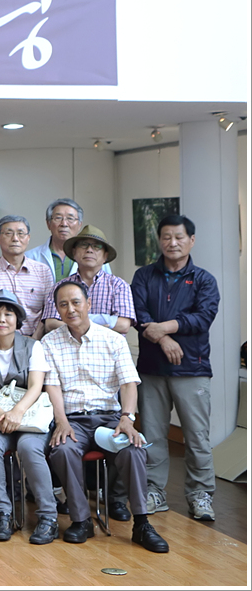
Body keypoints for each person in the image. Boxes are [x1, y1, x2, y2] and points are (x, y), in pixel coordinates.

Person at [41, 280, 169, 553]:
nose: (70, 309)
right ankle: (81, 520)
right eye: (63, 305)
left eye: (76, 302)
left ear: (89, 304)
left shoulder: (113, 340)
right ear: (57, 310)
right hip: (73, 419)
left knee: (134, 450)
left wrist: (127, 418)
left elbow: (128, 383)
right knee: (62, 450)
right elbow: (52, 387)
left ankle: (142, 524)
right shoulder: (49, 342)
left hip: (110, 418)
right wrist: (61, 420)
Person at [132, 215, 220, 521]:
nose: (172, 243)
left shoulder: (204, 280)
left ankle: (200, 495)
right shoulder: (143, 276)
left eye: (179, 237)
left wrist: (164, 328)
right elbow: (138, 313)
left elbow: (203, 317)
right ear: (159, 240)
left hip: (192, 369)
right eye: (166, 237)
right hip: (151, 369)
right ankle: (154, 491)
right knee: (152, 435)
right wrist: (164, 339)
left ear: (191, 240)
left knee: (196, 437)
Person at [0, 290, 58, 545]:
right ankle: (2, 513)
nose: (2, 319)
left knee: (29, 448)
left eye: (8, 314)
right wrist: (0, 413)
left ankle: (48, 517)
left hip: (29, 415)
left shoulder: (34, 346)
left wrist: (17, 412)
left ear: (17, 319)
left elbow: (36, 386)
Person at [40, 225, 135, 336]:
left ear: (105, 256)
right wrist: (103, 323)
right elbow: (50, 324)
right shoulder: (61, 287)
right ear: (74, 252)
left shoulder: (119, 286)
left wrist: (77, 323)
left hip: (106, 346)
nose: (89, 250)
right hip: (68, 345)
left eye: (96, 246)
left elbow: (124, 325)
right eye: (83, 245)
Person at [0, 215, 53, 338]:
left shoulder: (43, 271)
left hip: (37, 340)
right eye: (8, 233)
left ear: (28, 238)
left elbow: (48, 311)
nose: (15, 238)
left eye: (21, 233)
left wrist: (34, 339)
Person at [26, 198, 113, 282]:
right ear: (48, 223)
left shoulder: (96, 257)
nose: (64, 224)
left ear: (79, 225)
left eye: (70, 218)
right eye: (58, 218)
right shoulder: (30, 257)